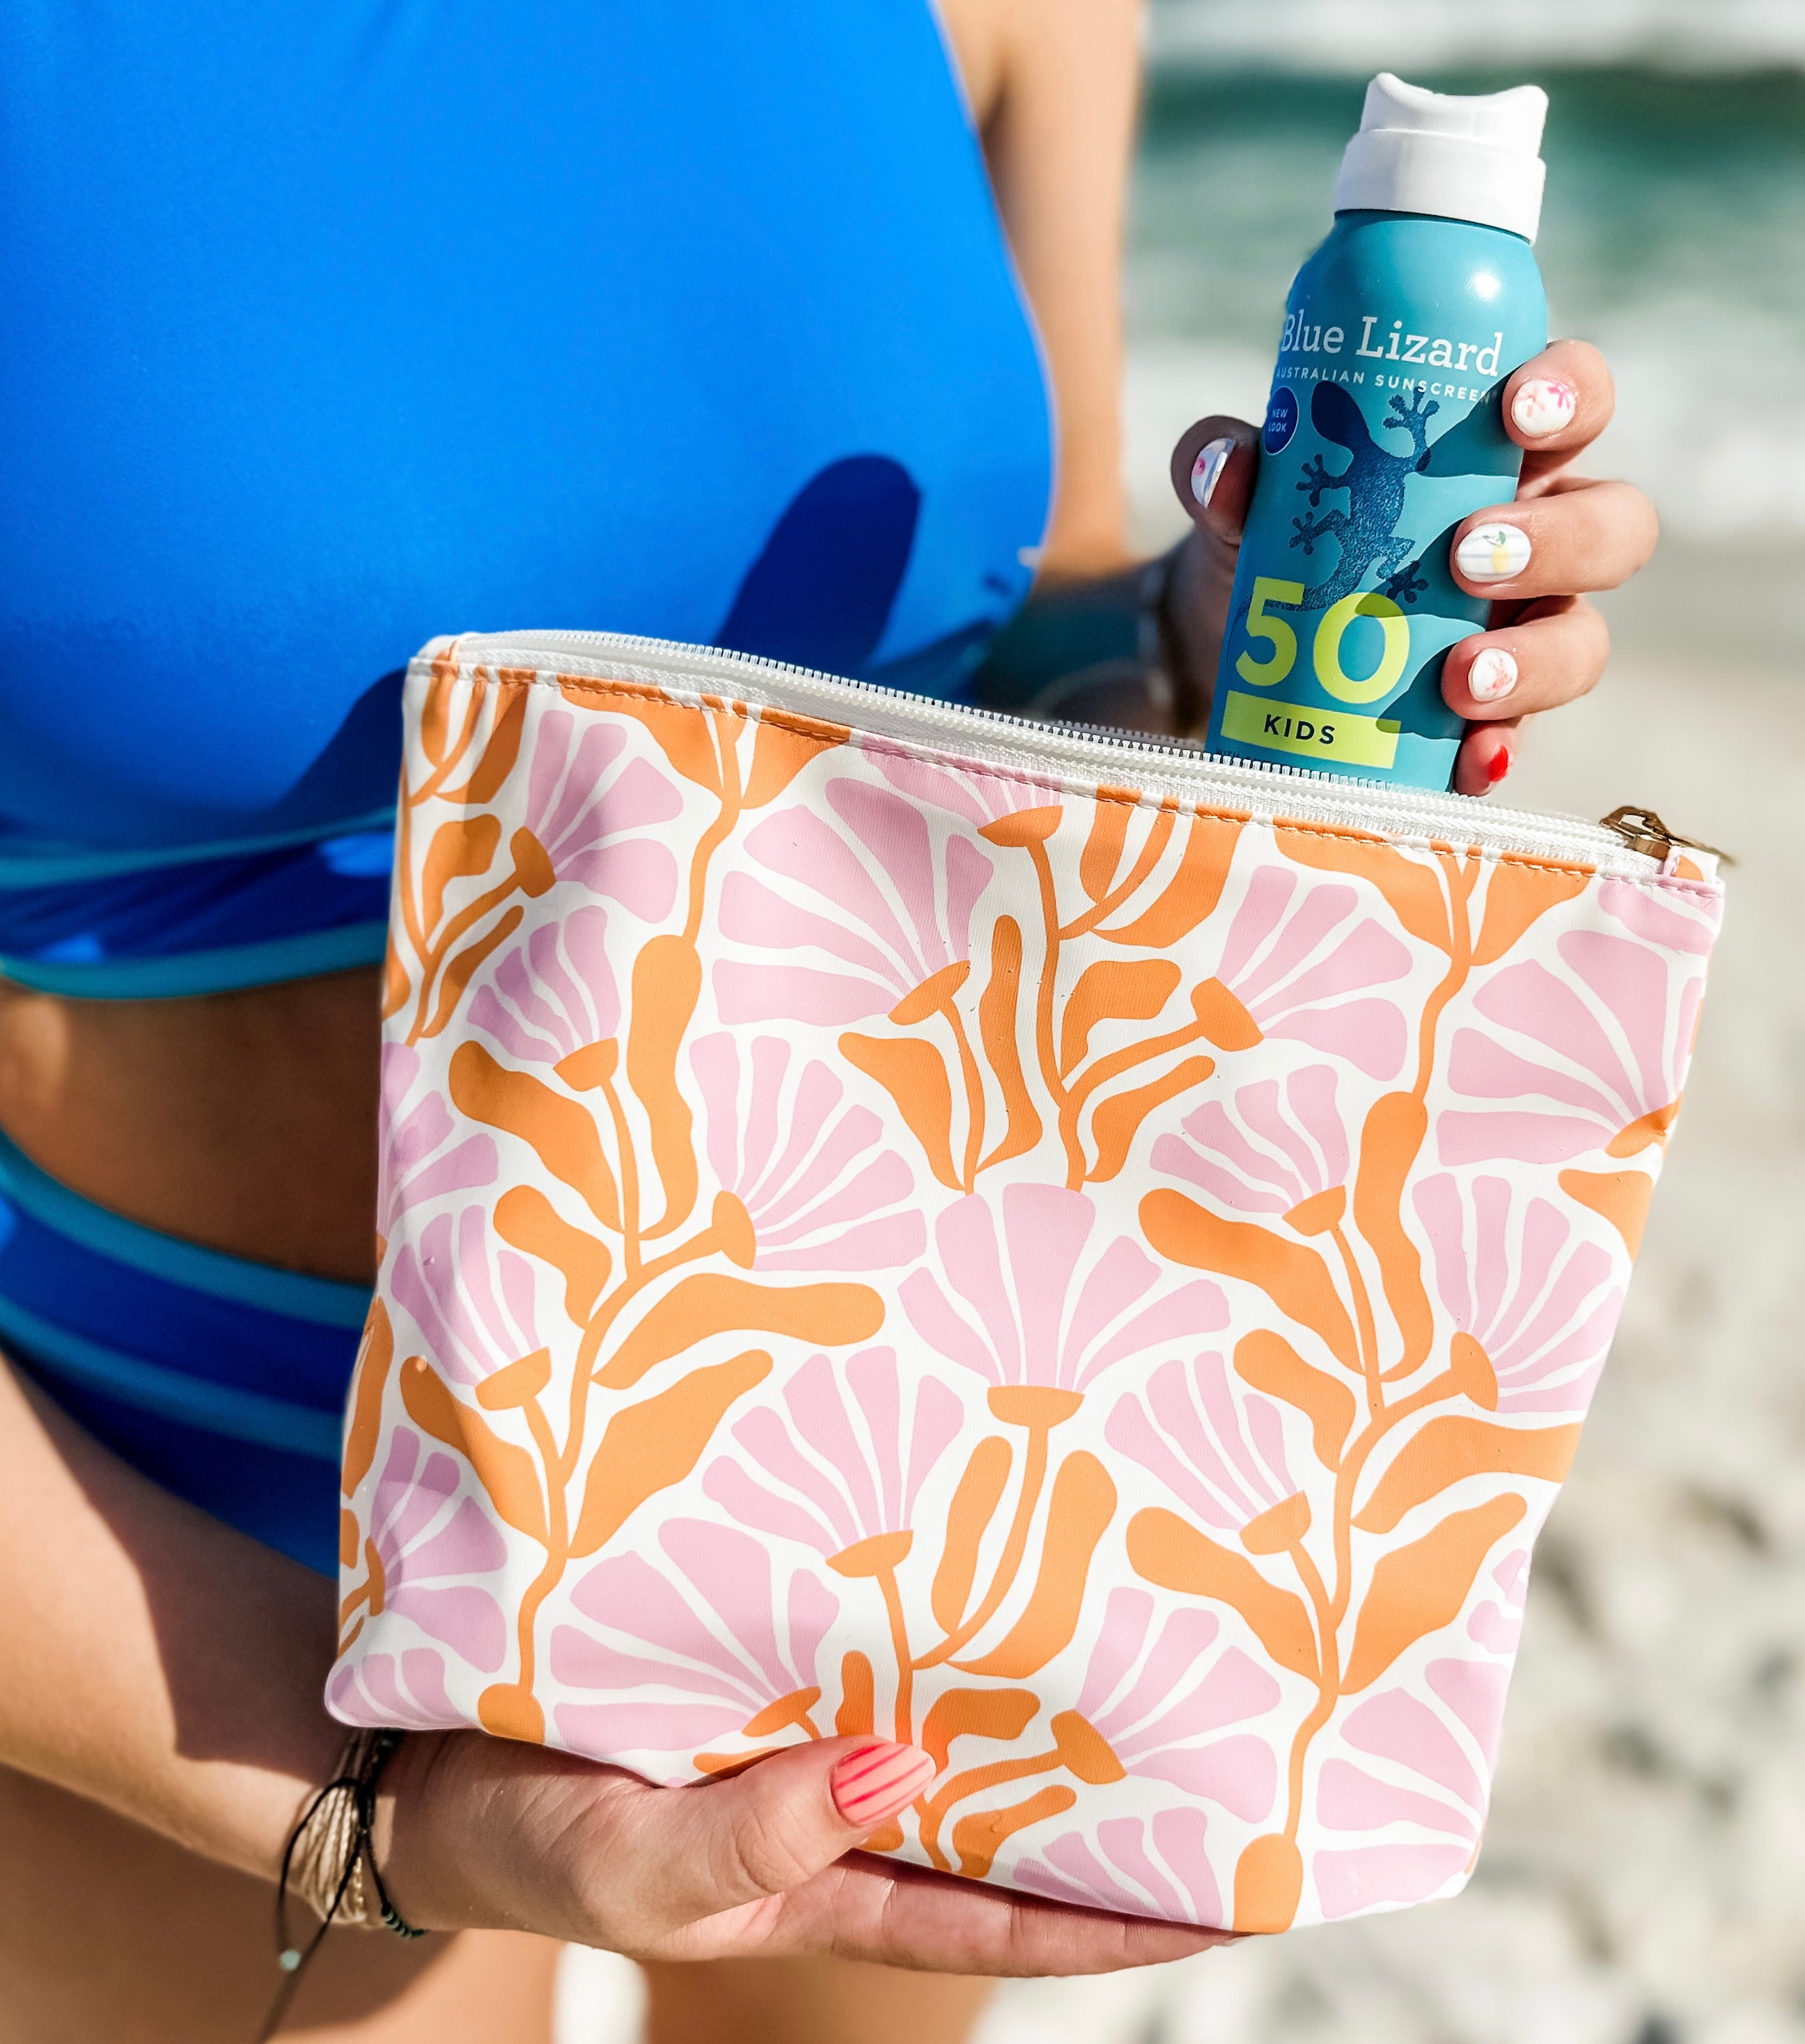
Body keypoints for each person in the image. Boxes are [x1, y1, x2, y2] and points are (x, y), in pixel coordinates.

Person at [0, 1, 1657, 2038]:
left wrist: (1202, 638)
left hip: (903, 1441)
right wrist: (384, 1812)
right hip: (171, 1529)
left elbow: (1007, 611)